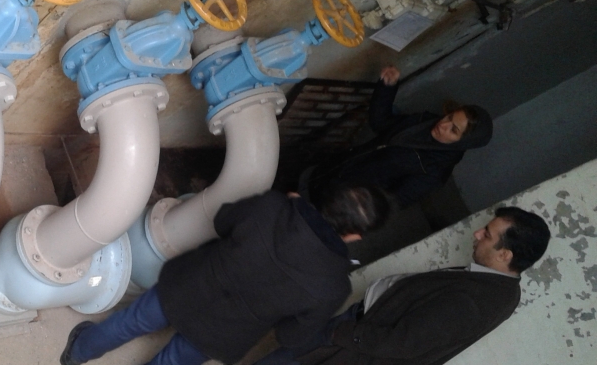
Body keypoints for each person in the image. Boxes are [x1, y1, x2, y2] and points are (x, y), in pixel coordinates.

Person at [59, 184, 391, 365]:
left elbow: (223, 220)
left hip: (189, 285)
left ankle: (78, 353)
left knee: (131, 322)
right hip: (225, 333)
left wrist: (285, 205)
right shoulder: (333, 286)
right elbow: (291, 336)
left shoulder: (273, 206)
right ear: (355, 235)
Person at [255, 206, 551, 365]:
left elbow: (404, 343)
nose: (476, 234)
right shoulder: (501, 287)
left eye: (487, 234)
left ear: (504, 255)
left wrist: (342, 333)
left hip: (350, 345)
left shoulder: (476, 301)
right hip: (357, 333)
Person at [302, 66, 494, 208]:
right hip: (337, 166)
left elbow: (394, 202)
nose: (443, 124)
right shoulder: (424, 121)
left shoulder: (434, 172)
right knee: (302, 182)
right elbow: (382, 124)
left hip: (342, 198)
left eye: (453, 130)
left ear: (461, 144)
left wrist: (350, 205)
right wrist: (387, 88)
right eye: (449, 117)